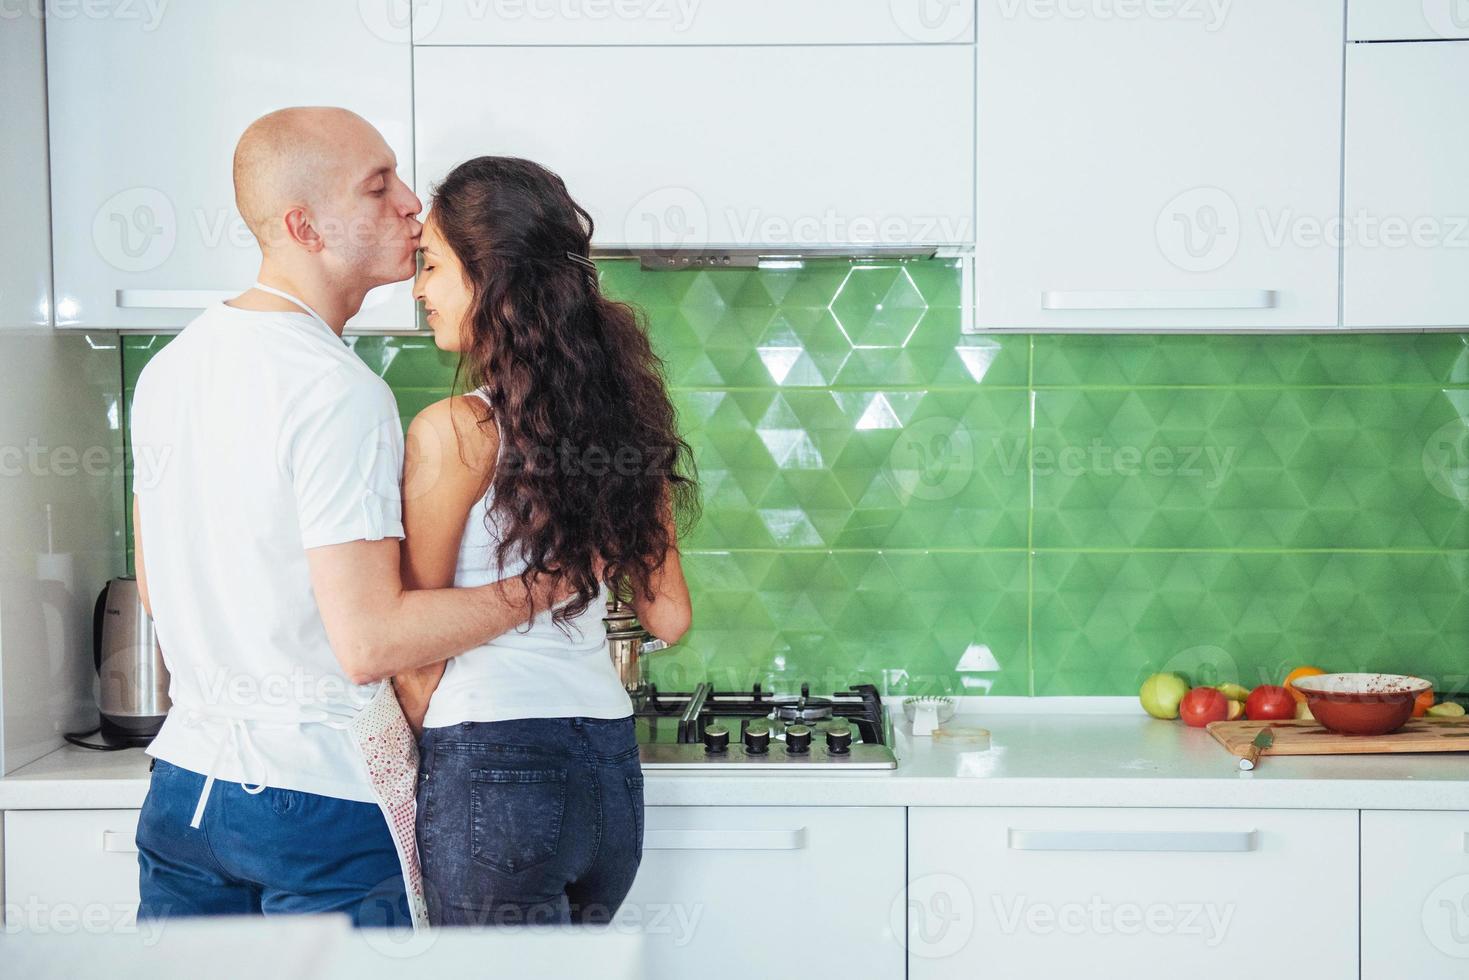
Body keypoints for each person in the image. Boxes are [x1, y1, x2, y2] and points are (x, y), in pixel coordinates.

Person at [129, 108, 570, 927]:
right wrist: (547, 586)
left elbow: (158, 591)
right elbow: (372, 643)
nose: (411, 204)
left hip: (185, 793)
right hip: (315, 803)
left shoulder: (170, 368)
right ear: (305, 227)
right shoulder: (337, 390)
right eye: (379, 187)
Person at [397, 156, 697, 926]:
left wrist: (445, 749)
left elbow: (411, 641)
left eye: (431, 264)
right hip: (606, 770)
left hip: (493, 762)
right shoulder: (627, 428)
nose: (419, 289)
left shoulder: (456, 430)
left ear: (486, 278)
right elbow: (669, 619)